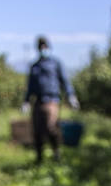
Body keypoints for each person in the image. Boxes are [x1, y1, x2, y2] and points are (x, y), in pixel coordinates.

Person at [24, 36, 79, 164]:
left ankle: (56, 153)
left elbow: (64, 80)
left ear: (48, 47)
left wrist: (71, 95)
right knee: (37, 130)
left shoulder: (55, 63)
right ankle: (39, 158)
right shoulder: (35, 66)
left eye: (45, 46)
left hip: (51, 100)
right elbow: (30, 86)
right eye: (41, 47)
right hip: (38, 101)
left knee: (51, 127)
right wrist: (26, 101)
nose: (43, 49)